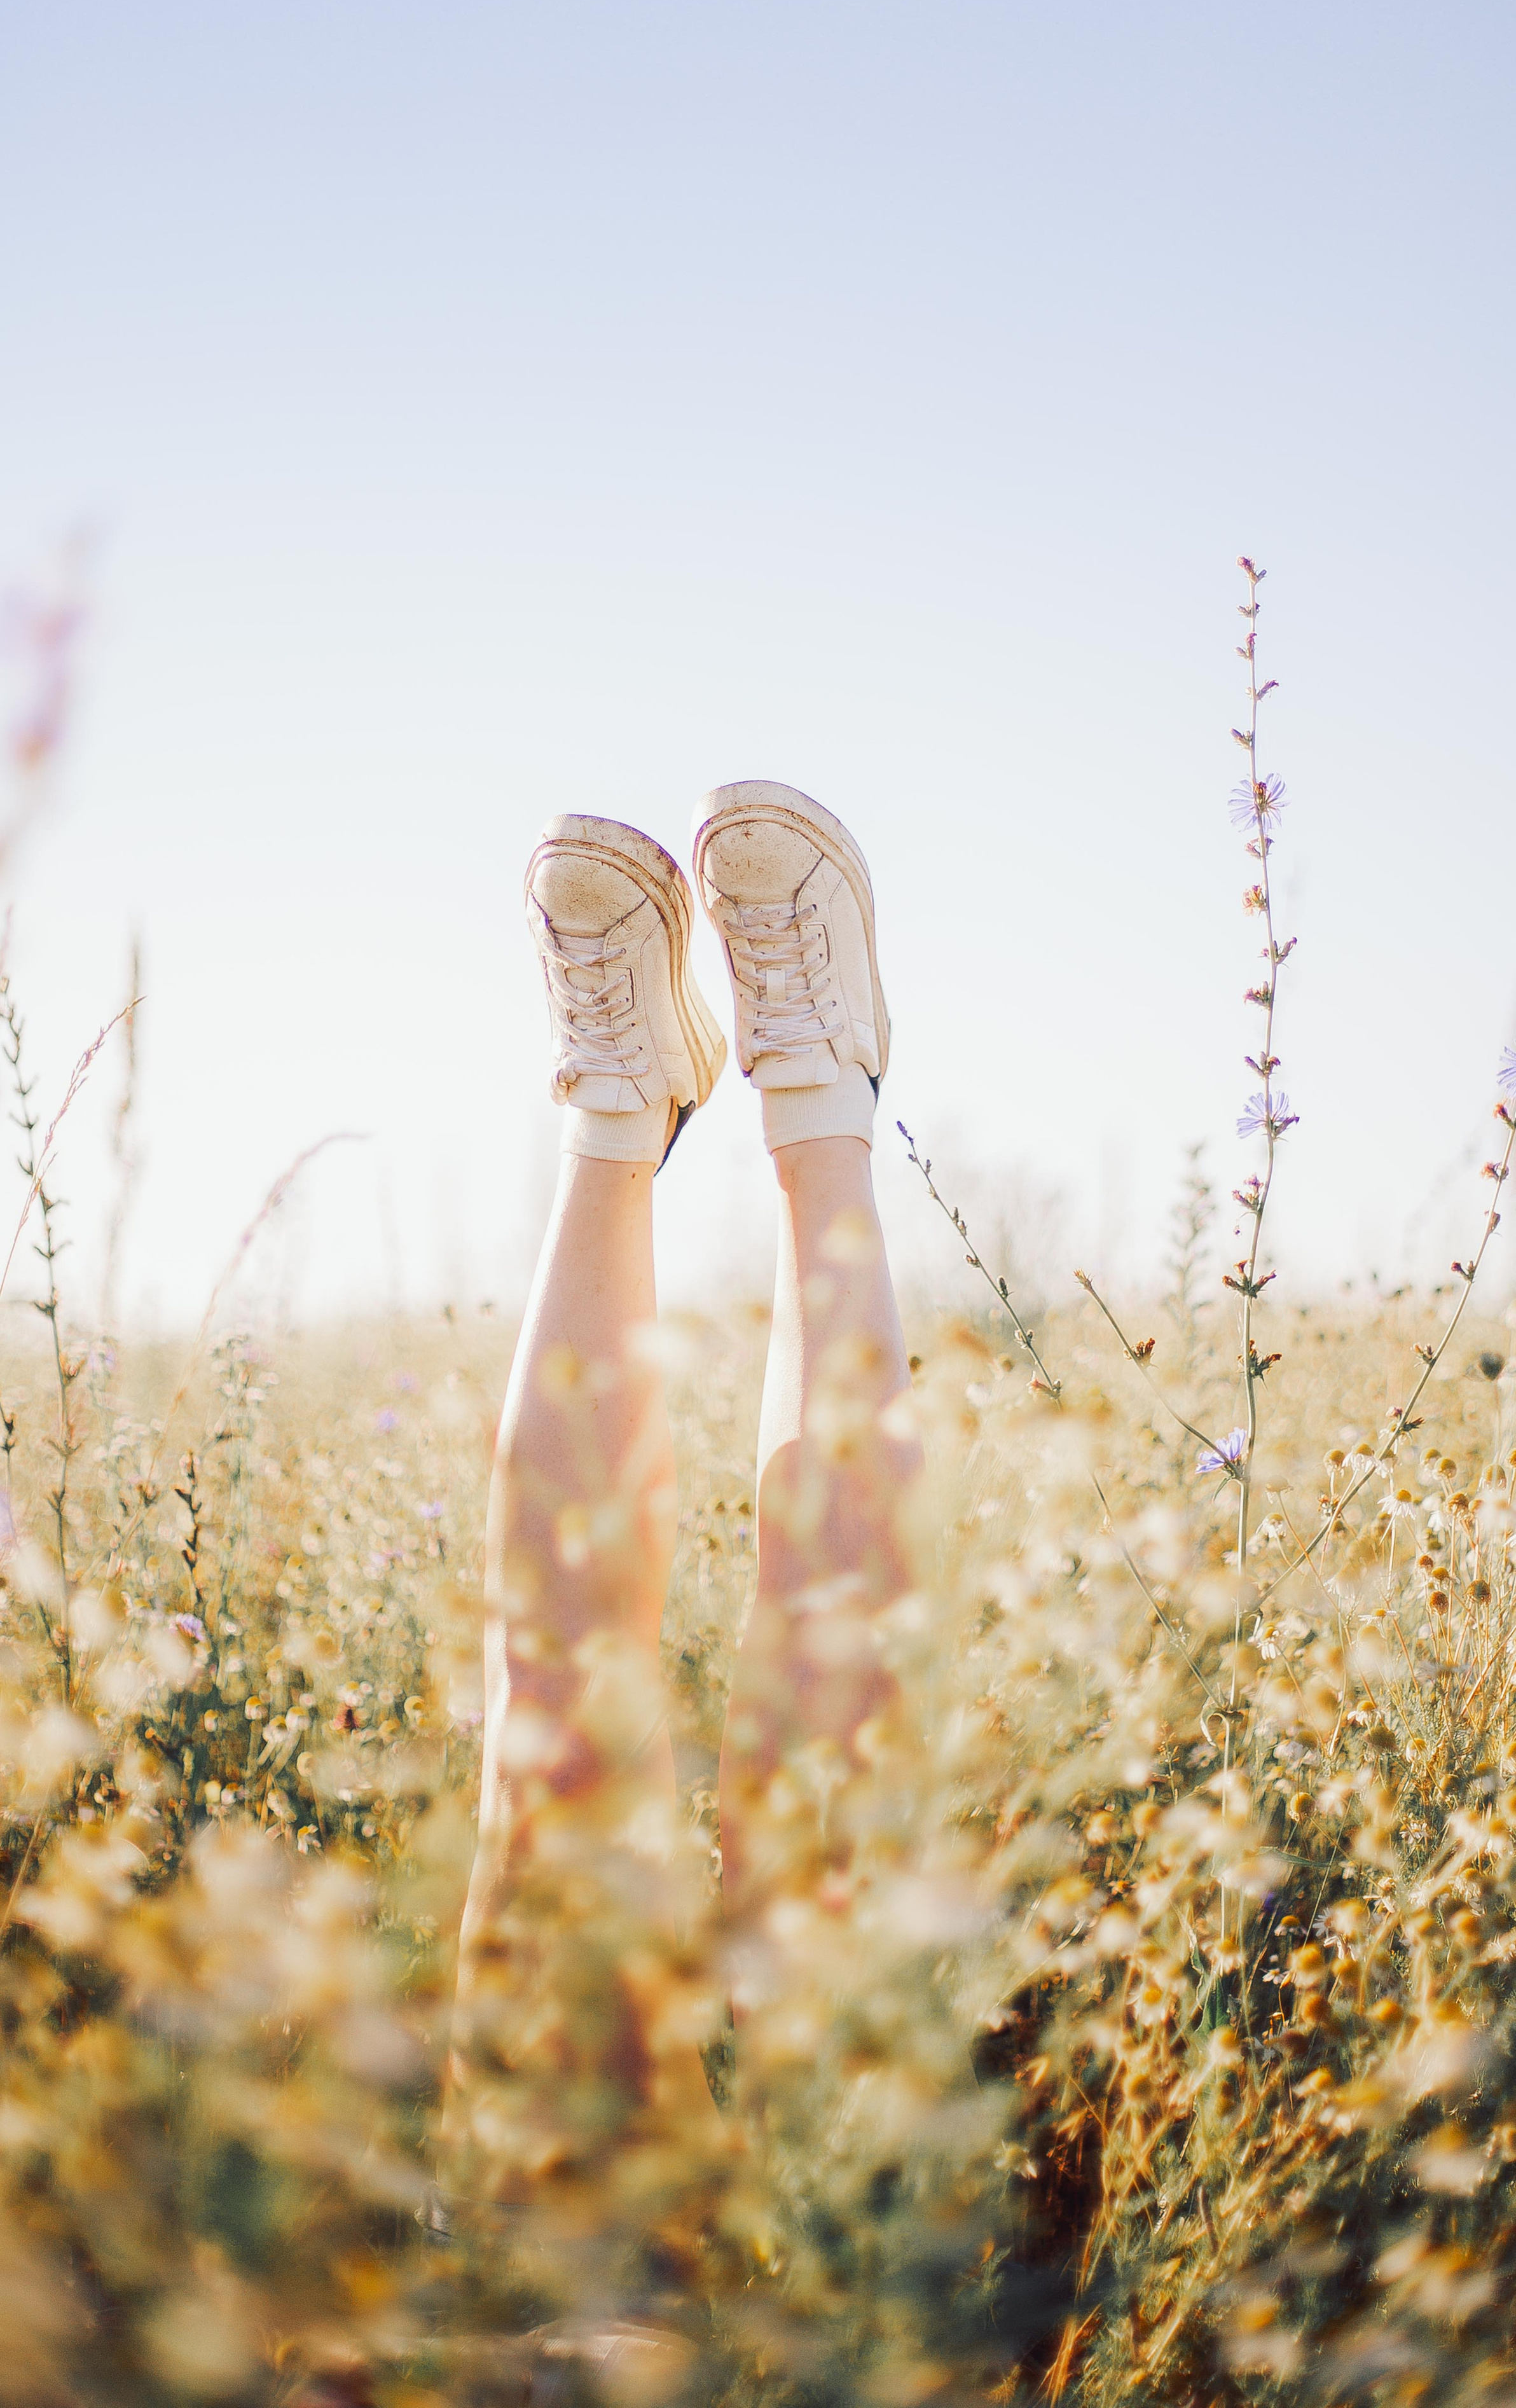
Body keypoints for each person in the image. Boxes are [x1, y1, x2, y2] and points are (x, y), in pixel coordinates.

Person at [444, 783, 921, 2195]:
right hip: (830, 2318)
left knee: (554, 1715)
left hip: (559, 2265)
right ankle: (822, 1098)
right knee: (833, 1722)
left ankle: (619, 1113)